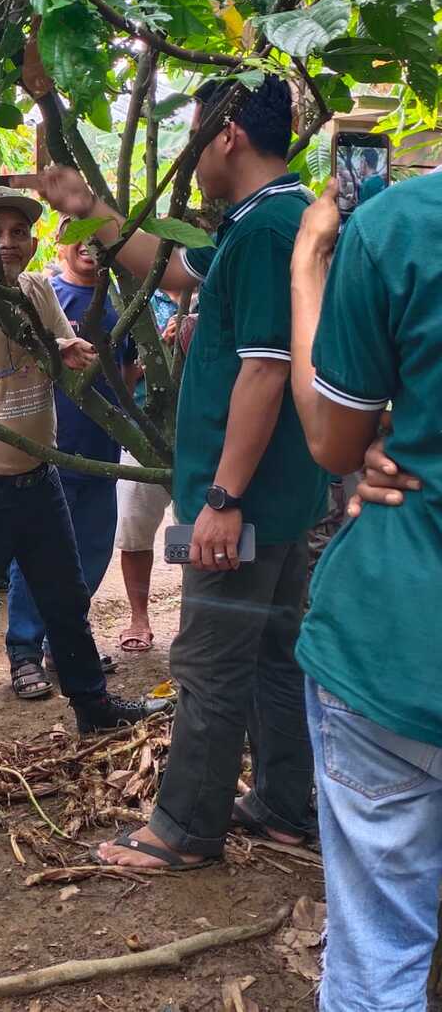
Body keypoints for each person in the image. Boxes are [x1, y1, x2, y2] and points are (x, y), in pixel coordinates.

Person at [38, 75, 328, 870]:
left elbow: (264, 370)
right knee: (270, 656)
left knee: (207, 662)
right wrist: (87, 206)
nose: (191, 152)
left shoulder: (267, 230)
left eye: (197, 133)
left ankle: (184, 828)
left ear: (226, 133)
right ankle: (281, 805)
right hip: (277, 496)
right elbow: (169, 272)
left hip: (247, 500)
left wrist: (222, 498)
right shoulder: (265, 219)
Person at [0, 187, 167, 796]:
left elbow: (57, 341)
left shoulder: (34, 291)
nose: (8, 242)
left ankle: (92, 705)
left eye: (19, 232)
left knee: (66, 600)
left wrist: (71, 347)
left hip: (40, 483)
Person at [289, 172, 442, 1011]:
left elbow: (330, 438)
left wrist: (308, 261)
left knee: (379, 953)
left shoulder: (398, 226)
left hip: (396, 646)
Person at [3, 220, 141, 688]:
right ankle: (24, 650)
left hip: (102, 452)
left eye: (100, 235)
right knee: (38, 556)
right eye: (79, 233)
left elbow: (127, 368)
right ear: (60, 242)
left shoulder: (120, 300)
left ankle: (64, 646)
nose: (89, 243)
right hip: (52, 453)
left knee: (92, 554)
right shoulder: (44, 297)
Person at [115, 289, 186, 653]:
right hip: (143, 430)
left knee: (193, 530)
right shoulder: (137, 298)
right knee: (134, 528)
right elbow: (123, 374)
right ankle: (139, 618)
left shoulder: (212, 288)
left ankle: (191, 617)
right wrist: (158, 348)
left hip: (198, 431)